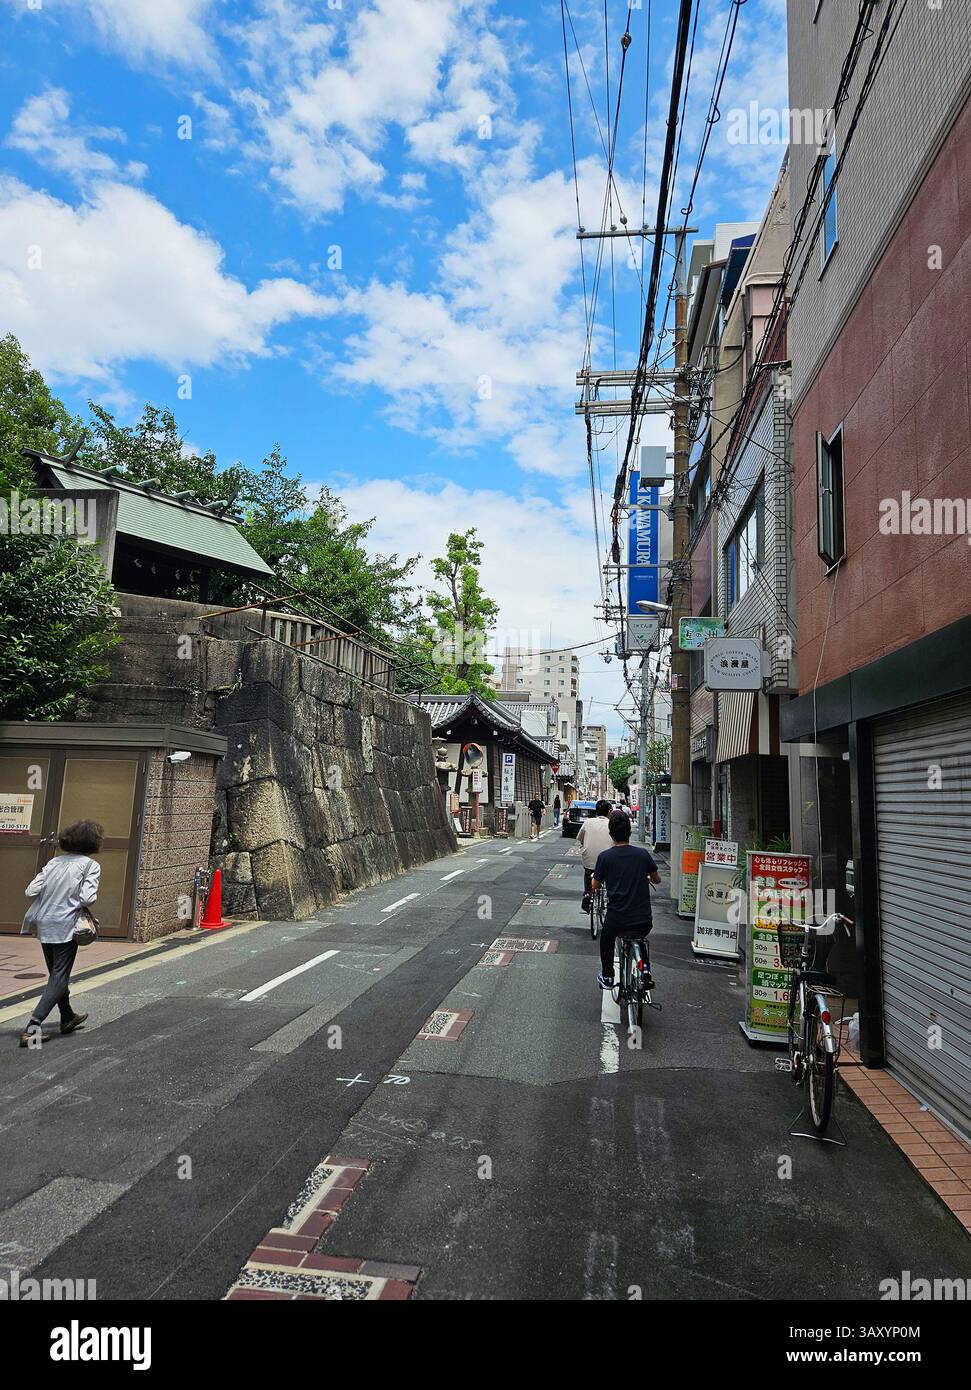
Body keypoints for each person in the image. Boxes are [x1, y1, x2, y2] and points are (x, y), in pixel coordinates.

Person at [19, 820, 101, 1048]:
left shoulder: (54, 862)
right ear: (93, 843)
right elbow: (87, 899)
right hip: (66, 924)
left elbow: (31, 891)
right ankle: (32, 1027)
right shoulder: (90, 865)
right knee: (59, 977)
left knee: (56, 974)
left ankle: (67, 1018)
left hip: (44, 922)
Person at [591, 810, 661, 991]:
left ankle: (607, 976)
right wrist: (647, 877)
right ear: (629, 831)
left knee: (606, 939)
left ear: (610, 833)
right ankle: (645, 970)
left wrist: (596, 878)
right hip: (643, 919)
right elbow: (657, 879)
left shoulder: (605, 857)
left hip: (617, 920)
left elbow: (595, 886)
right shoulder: (642, 855)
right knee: (640, 937)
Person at [577, 798, 613, 912]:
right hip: (608, 861)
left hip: (590, 860)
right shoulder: (612, 824)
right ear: (609, 812)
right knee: (610, 876)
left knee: (588, 872)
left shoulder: (588, 822)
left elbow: (580, 838)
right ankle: (611, 896)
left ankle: (588, 893)